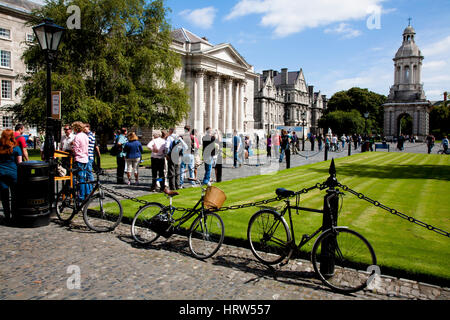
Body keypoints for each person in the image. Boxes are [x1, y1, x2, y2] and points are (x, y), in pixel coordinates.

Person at [0, 129, 22, 223]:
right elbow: (19, 163)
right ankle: (14, 215)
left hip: (1, 173)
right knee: (14, 196)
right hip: (13, 173)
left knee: (4, 196)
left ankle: (7, 215)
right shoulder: (16, 148)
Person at [71, 121, 90, 201]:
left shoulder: (77, 137)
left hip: (79, 158)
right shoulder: (85, 136)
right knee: (84, 177)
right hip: (85, 158)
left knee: (80, 178)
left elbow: (76, 149)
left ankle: (81, 195)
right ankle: (87, 192)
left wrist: (73, 150)